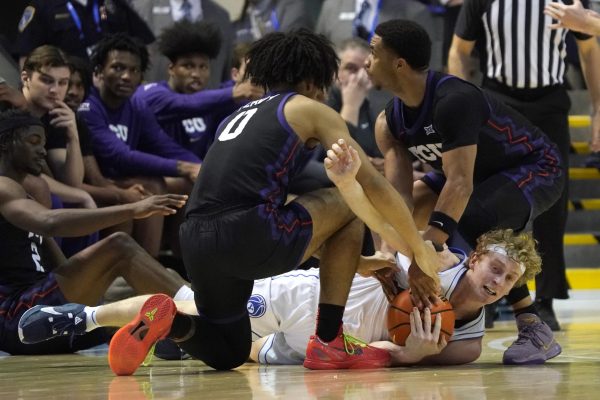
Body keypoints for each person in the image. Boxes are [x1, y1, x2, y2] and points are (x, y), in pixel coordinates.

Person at [105, 28, 443, 375]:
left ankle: (170, 324)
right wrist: (419, 251)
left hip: (195, 240)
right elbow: (373, 184)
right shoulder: (309, 108)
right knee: (346, 198)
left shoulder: (234, 117)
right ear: (315, 79)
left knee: (229, 350)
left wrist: (358, 262)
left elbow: (289, 220)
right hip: (248, 231)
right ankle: (328, 341)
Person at [19, 227, 552, 366]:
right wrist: (388, 266)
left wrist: (412, 353)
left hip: (325, 344)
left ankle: (93, 319)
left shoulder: (470, 343)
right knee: (196, 315)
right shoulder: (431, 258)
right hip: (310, 299)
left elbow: (401, 365)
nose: (498, 283)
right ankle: (96, 319)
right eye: (495, 268)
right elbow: (363, 257)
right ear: (475, 257)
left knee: (213, 330)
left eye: (509, 281)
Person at [366, 19, 564, 365]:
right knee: (413, 218)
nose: (367, 62)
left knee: (469, 218)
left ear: (398, 63)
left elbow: (459, 184)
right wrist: (390, 254)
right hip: (477, 174)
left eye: (372, 53)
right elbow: (398, 202)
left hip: (534, 167)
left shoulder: (453, 99)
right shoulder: (389, 122)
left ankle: (533, 325)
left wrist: (427, 255)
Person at [447, 0, 600, 330]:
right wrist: (462, 104)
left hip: (550, 103)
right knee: (487, 201)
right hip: (498, 103)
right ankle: (479, 291)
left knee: (552, 207)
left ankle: (544, 300)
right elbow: (459, 50)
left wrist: (598, 107)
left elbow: (589, 50)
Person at [0, 108, 192, 355]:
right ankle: (204, 313)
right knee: (118, 247)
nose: (42, 151)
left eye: (44, 144)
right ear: (5, 142)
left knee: (153, 279)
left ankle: (181, 334)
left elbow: (61, 266)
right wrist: (132, 209)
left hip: (48, 316)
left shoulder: (25, 192)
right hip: (18, 317)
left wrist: (99, 285)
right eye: (34, 142)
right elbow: (50, 223)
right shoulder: (3, 187)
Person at [79, 33, 202, 258]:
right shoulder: (89, 106)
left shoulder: (136, 105)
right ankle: (148, 268)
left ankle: (182, 262)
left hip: (124, 179)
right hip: (96, 183)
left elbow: (163, 145)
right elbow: (120, 156)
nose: (126, 76)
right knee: (152, 186)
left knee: (187, 185)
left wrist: (201, 168)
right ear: (99, 71)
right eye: (117, 68)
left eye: (134, 70)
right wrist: (184, 167)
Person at [133, 20, 263, 160]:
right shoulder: (153, 94)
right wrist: (238, 92)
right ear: (171, 69)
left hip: (193, 174)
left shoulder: (211, 100)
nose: (196, 74)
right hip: (153, 176)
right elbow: (185, 103)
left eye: (203, 67)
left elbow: (229, 94)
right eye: (188, 66)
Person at [129, 0, 234, 88]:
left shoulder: (221, 16)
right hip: (155, 106)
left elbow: (226, 74)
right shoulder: (139, 9)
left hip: (209, 108)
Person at [15, 0, 154, 63]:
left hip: (110, 88)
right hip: (67, 89)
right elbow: (26, 55)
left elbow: (143, 40)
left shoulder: (111, 3)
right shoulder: (43, 6)